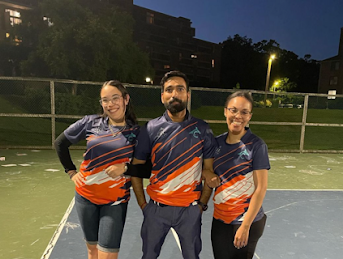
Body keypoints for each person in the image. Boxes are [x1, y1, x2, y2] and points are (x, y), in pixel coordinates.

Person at [131, 70, 220, 259]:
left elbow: (208, 170)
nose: (174, 94)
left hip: (190, 211)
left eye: (180, 89)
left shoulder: (202, 129)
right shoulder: (150, 129)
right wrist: (143, 205)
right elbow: (136, 169)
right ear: (162, 96)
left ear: (188, 94)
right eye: (169, 89)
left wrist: (201, 205)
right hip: (156, 210)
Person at [55, 80, 148, 259]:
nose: (110, 104)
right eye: (105, 100)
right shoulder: (91, 122)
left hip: (115, 201)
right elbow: (60, 143)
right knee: (92, 251)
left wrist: (126, 168)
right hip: (85, 197)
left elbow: (147, 168)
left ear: (126, 99)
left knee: (107, 256)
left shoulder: (137, 133)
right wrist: (71, 172)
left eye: (115, 98)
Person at [211, 91, 270, 259]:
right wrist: (208, 173)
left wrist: (245, 226)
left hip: (246, 222)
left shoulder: (257, 146)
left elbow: (261, 188)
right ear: (225, 111)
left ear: (250, 116)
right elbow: (204, 169)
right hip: (220, 221)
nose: (238, 116)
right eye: (233, 110)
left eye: (244, 112)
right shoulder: (216, 144)